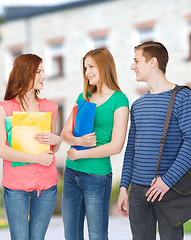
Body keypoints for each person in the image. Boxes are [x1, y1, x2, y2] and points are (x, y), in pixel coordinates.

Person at [116, 41, 191, 240]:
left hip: (168, 189)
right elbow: (131, 150)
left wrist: (167, 181)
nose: (132, 66)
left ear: (153, 62)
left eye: (136, 61)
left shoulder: (183, 97)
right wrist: (123, 187)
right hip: (137, 191)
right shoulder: (137, 105)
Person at [61, 48, 129, 240]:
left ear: (104, 66)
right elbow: (65, 132)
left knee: (97, 235)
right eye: (85, 68)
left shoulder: (119, 100)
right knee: (71, 234)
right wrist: (78, 141)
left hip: (97, 177)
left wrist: (81, 153)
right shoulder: (84, 97)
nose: (87, 72)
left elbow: (116, 145)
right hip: (71, 172)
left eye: (91, 66)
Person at [0, 53, 62, 240]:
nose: (44, 76)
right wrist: (35, 159)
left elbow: (51, 149)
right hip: (16, 185)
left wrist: (57, 141)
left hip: (46, 183)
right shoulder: (4, 108)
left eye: (43, 71)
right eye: (39, 71)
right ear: (26, 74)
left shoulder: (50, 107)